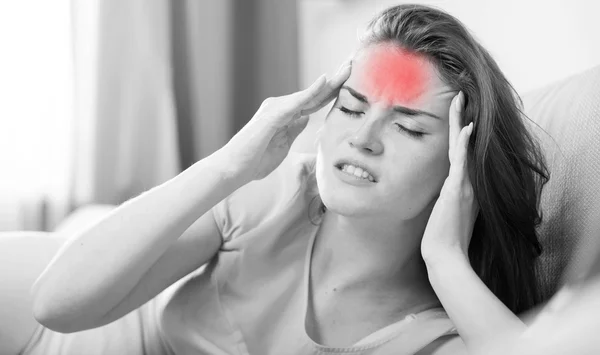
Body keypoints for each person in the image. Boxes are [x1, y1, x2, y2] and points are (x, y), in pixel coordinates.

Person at [0, 4, 549, 355]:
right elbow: (53, 304)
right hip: (82, 324)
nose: (364, 138)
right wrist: (229, 165)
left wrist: (447, 262)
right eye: (353, 108)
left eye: (407, 128)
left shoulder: (435, 335)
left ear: (461, 165)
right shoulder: (280, 188)